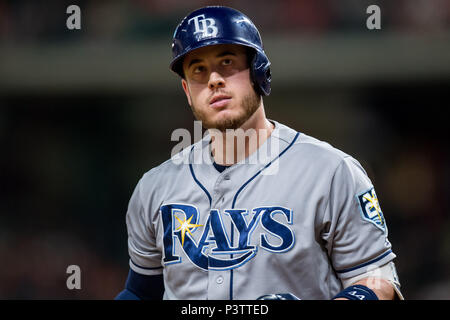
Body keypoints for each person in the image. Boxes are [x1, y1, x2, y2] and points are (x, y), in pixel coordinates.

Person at [116, 6, 403, 300]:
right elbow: (141, 292)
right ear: (188, 91)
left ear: (259, 72)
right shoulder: (154, 187)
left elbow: (379, 280)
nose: (214, 79)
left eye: (227, 62)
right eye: (199, 69)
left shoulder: (330, 171)